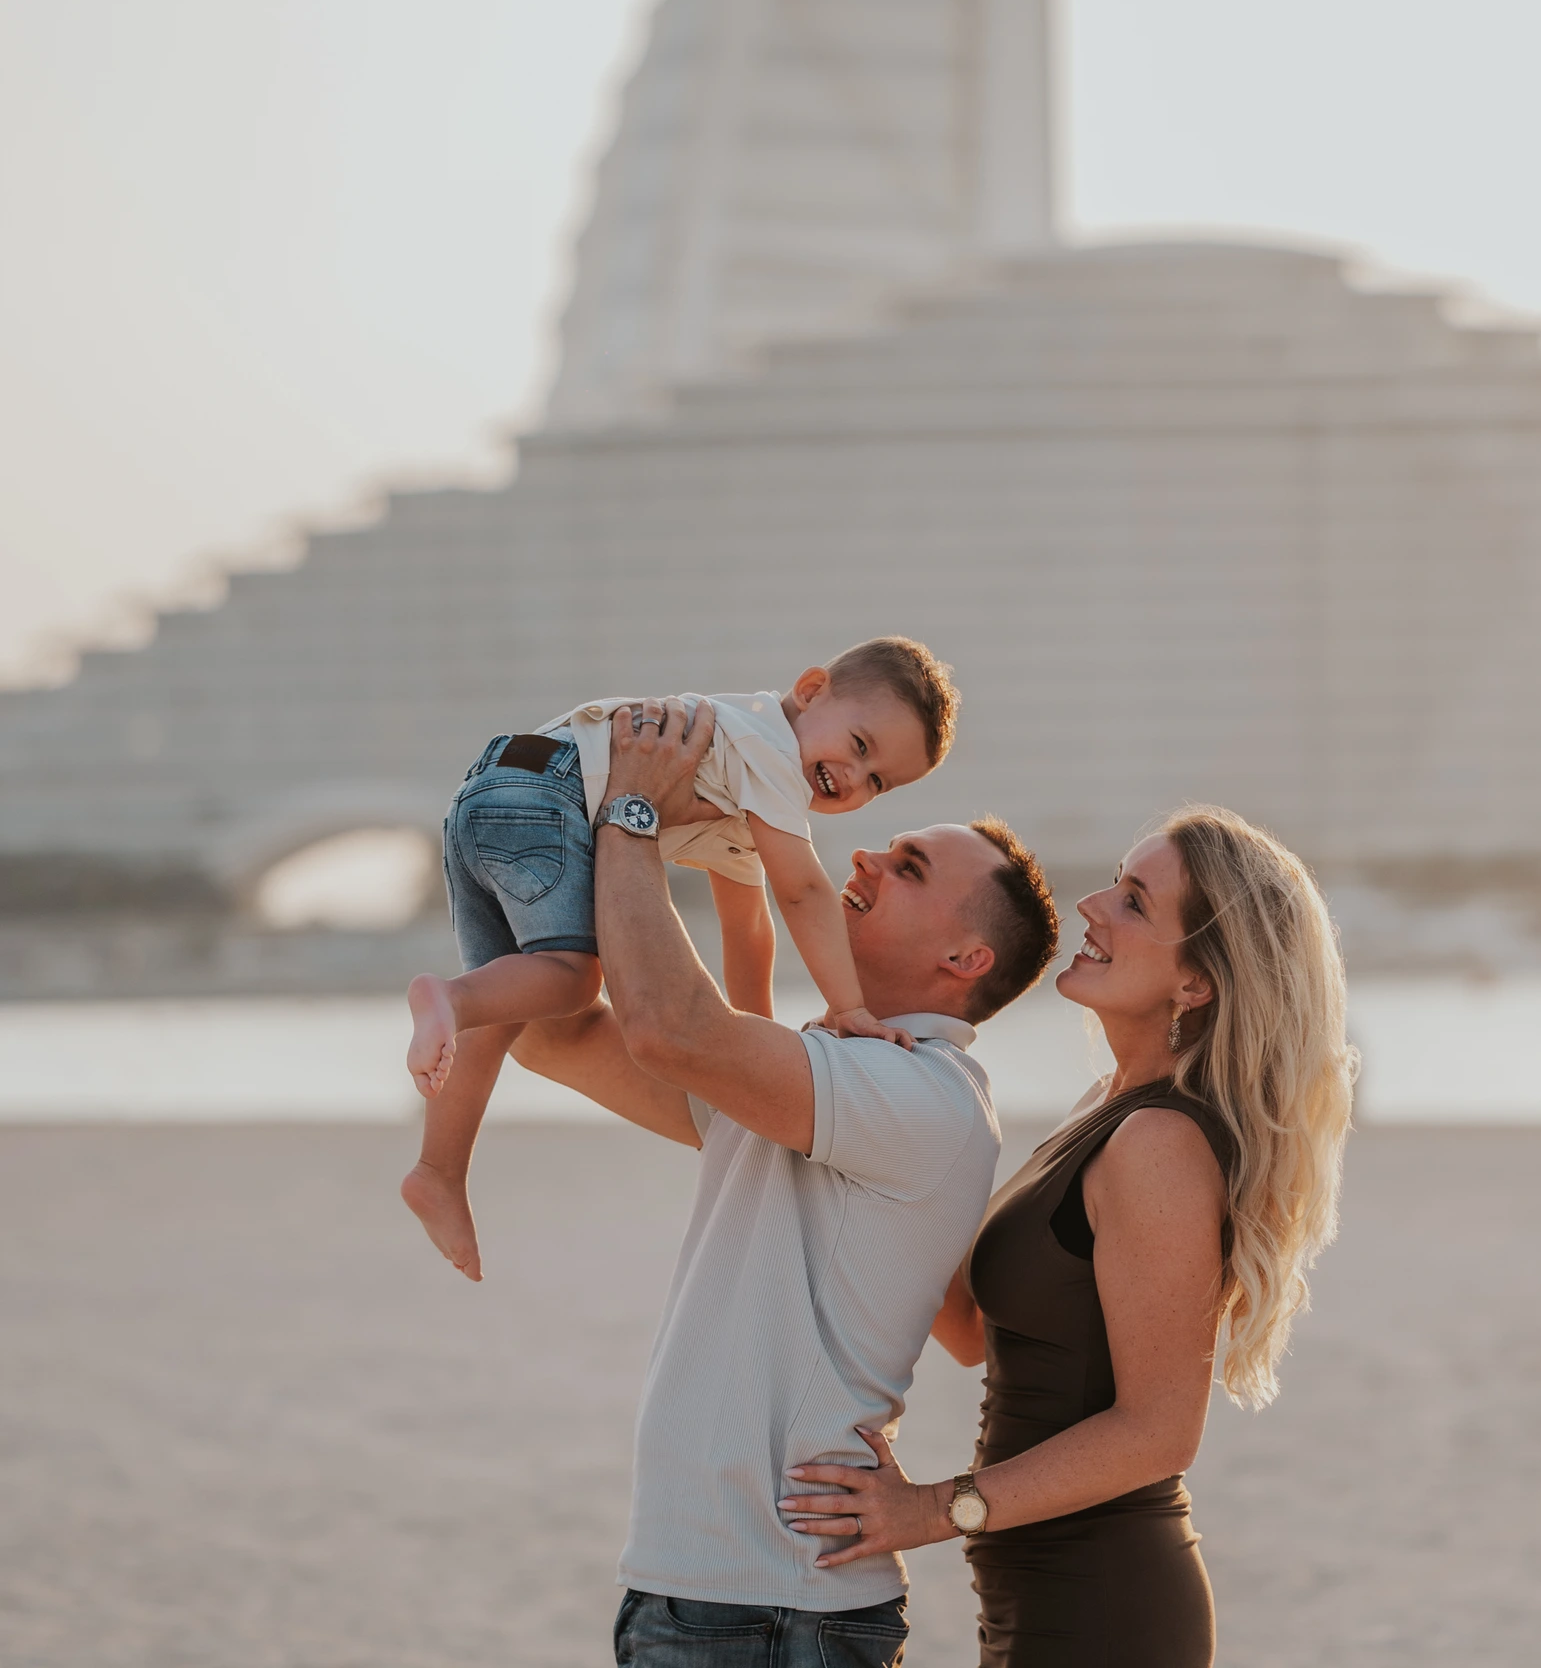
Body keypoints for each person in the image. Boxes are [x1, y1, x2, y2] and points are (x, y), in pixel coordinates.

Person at [505, 697, 1063, 1667]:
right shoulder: (809, 1076)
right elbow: (552, 1033)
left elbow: (668, 1027)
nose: (862, 858)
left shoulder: (923, 1093)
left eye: (909, 868)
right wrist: (539, 814)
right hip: (706, 1594)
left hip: (773, 1613)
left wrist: (631, 811)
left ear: (963, 960)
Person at [775, 805, 1359, 1668]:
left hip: (1103, 1605)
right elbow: (976, 1335)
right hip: (1034, 1591)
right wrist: (877, 1140)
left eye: (1133, 901)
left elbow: (1160, 1431)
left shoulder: (1159, 1144)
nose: (1091, 906)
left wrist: (929, 1510)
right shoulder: (1108, 1107)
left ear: (1195, 982)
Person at [401, 636, 957, 1279]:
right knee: (573, 977)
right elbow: (802, 893)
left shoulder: (741, 777)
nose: (853, 779)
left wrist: (757, 1058)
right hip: (548, 801)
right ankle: (447, 998)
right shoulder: (769, 754)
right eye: (860, 747)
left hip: (488, 787)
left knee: (503, 1007)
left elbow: (748, 929)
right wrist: (849, 1007)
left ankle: (436, 1171)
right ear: (809, 692)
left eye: (877, 782)